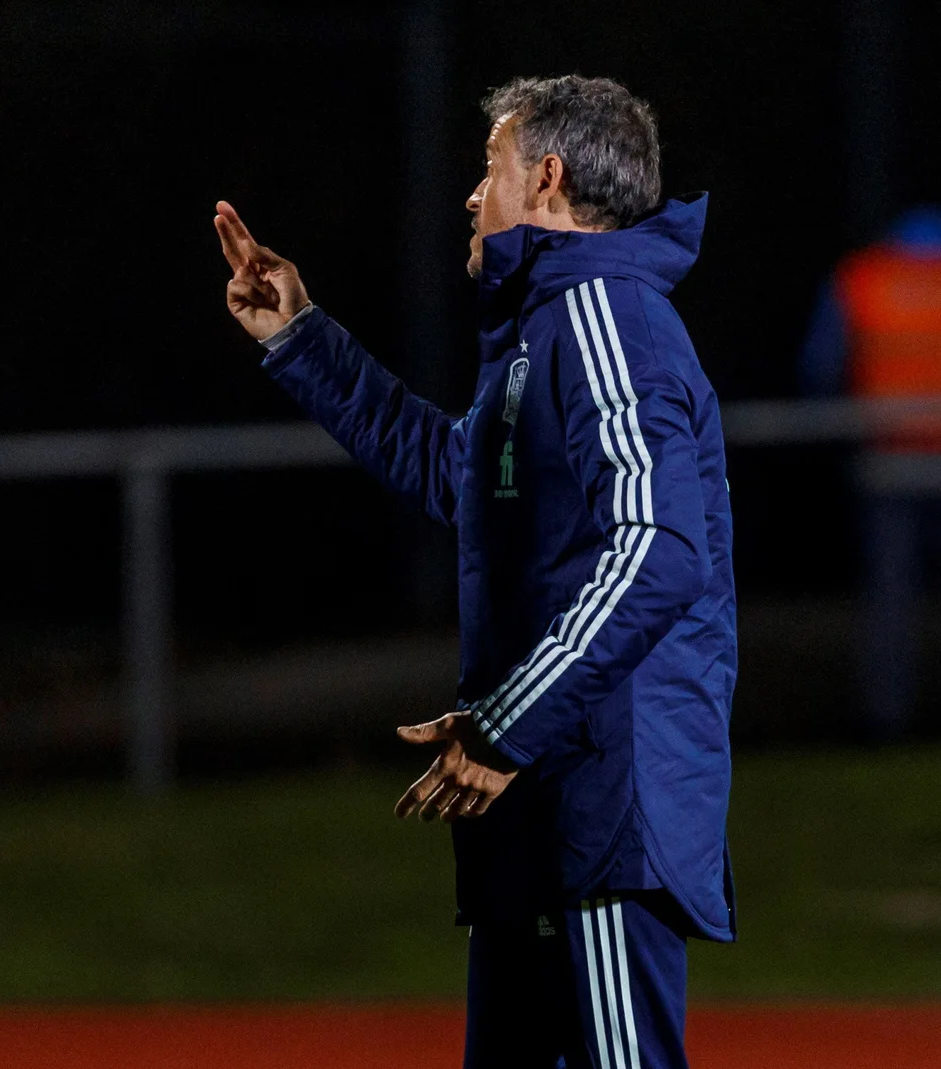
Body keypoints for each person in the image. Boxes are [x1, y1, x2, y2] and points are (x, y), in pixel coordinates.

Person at [214, 75, 735, 1068]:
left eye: (487, 167)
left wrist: (504, 724)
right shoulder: (545, 329)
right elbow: (462, 481)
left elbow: (659, 549)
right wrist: (300, 339)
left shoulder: (605, 316)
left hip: (601, 809)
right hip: (542, 797)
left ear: (546, 176)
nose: (468, 193)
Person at [800, 205, 941, 739]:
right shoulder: (864, 277)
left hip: (886, 462)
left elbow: (820, 368)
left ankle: (888, 722)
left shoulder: (864, 277)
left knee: (890, 604)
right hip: (904, 462)